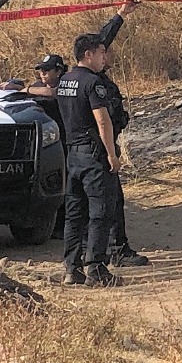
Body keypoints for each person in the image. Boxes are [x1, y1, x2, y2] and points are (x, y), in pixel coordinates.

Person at [56, 34, 122, 287]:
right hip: (93, 155)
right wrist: (111, 155)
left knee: (74, 215)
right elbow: (102, 120)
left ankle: (72, 269)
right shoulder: (93, 82)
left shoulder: (65, 80)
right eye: (102, 52)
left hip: (72, 155)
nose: (105, 58)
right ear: (88, 55)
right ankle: (96, 267)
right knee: (100, 212)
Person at [92, 0, 149, 267]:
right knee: (109, 201)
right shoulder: (92, 80)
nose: (109, 54)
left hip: (88, 149)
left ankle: (93, 256)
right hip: (101, 148)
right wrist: (120, 15)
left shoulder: (77, 77)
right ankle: (114, 252)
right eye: (104, 52)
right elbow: (101, 40)